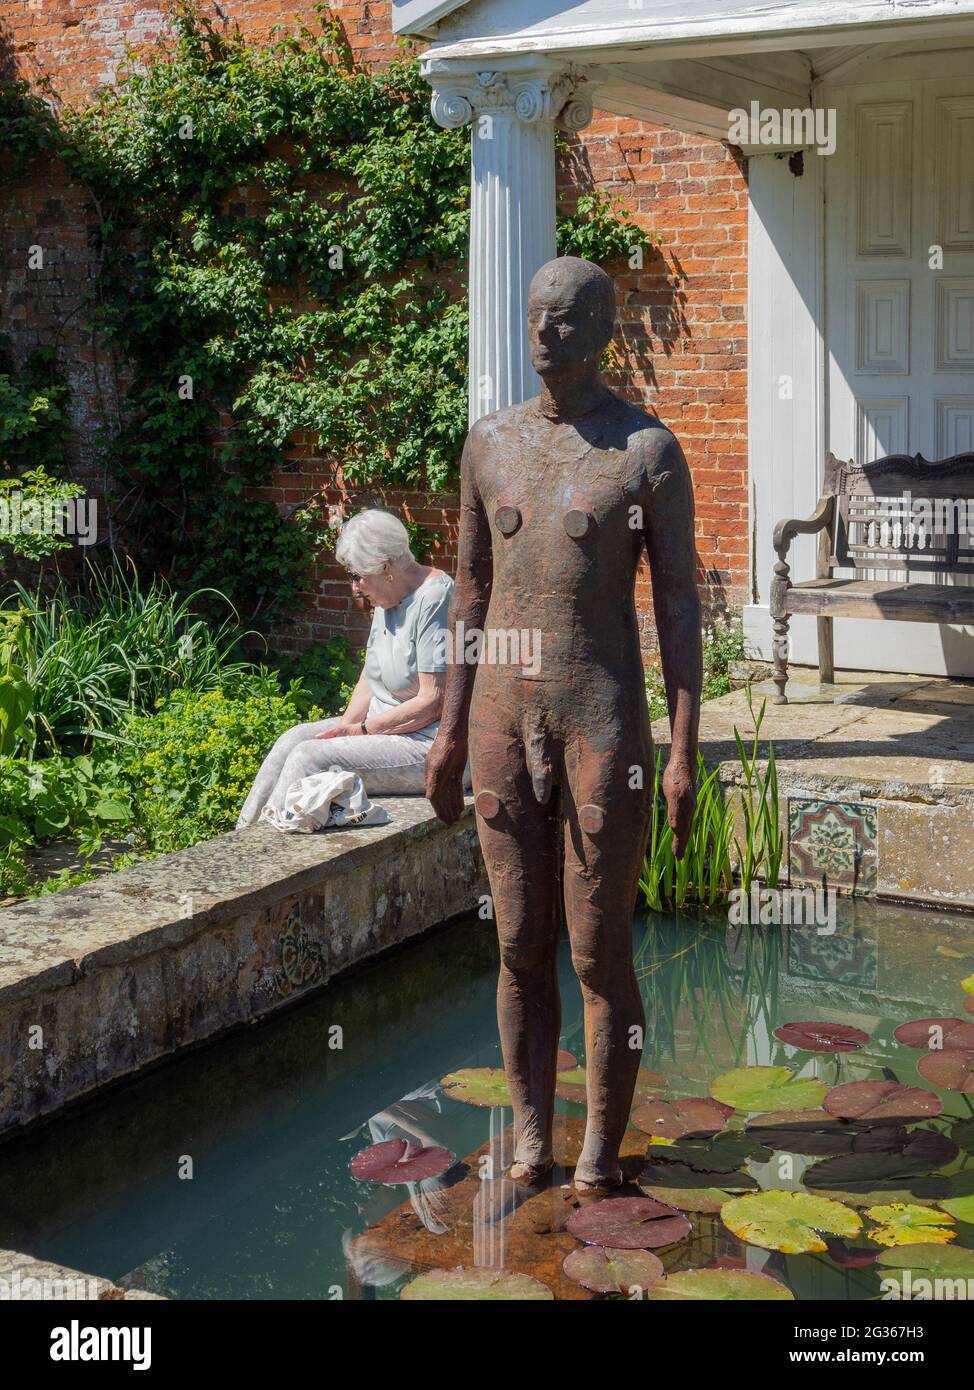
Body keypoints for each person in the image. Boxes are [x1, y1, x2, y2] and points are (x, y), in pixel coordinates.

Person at [425, 256, 701, 1190]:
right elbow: (469, 591)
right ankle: (533, 1138)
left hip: (600, 723)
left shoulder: (643, 451)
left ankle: (597, 1156)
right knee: (515, 941)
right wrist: (451, 732)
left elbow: (677, 610)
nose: (549, 330)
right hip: (505, 717)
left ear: (604, 331)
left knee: (596, 947)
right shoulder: (489, 445)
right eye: (539, 315)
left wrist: (682, 753)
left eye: (571, 316)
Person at [236, 509, 458, 829]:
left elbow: (433, 701)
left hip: (426, 742)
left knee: (309, 757)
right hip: (383, 730)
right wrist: (346, 727)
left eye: (357, 575)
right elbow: (371, 674)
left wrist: (362, 732)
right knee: (293, 739)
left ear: (385, 567)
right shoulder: (387, 595)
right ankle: (244, 834)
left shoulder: (435, 597)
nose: (355, 587)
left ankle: (265, 849)